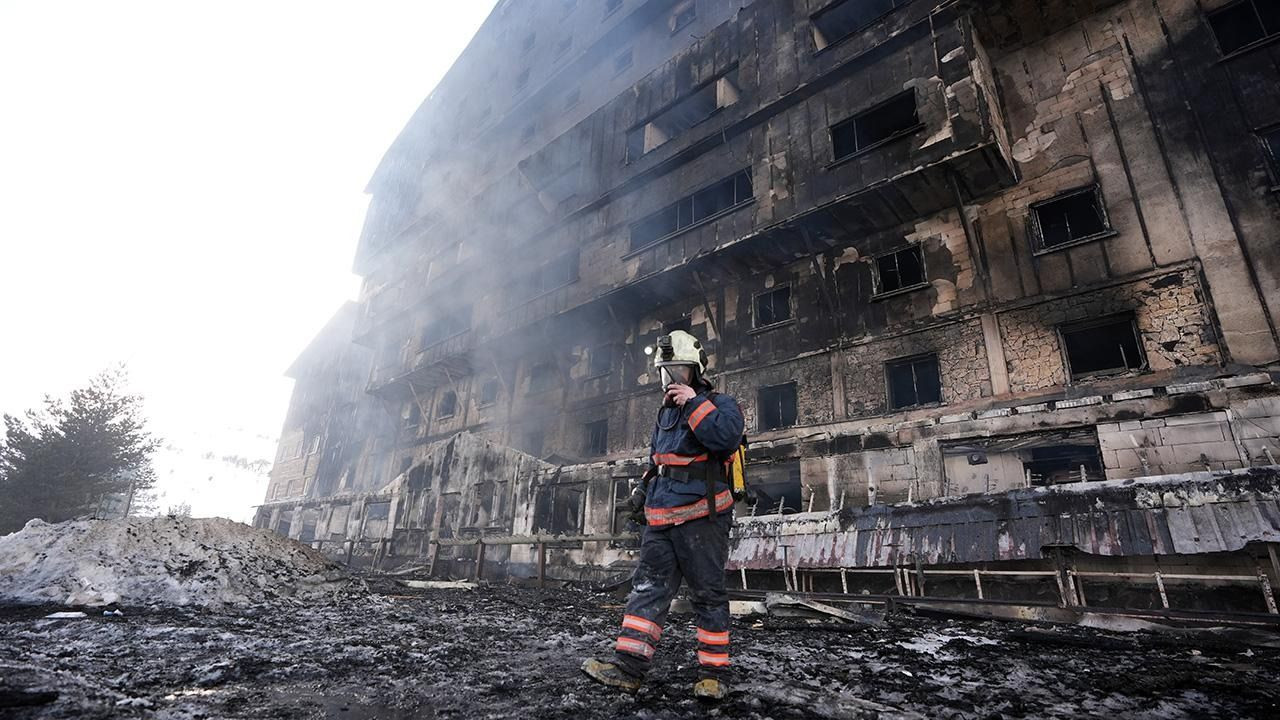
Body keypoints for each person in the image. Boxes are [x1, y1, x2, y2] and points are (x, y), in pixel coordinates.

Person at [582, 330, 744, 701]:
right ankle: (628, 669)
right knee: (646, 591)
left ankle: (713, 676)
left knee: (708, 594)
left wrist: (693, 403)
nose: (670, 380)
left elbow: (725, 439)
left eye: (677, 371)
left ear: (696, 370)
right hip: (661, 519)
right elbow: (657, 461)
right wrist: (639, 493)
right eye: (664, 372)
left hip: (703, 518)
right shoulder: (664, 416)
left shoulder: (720, 403)